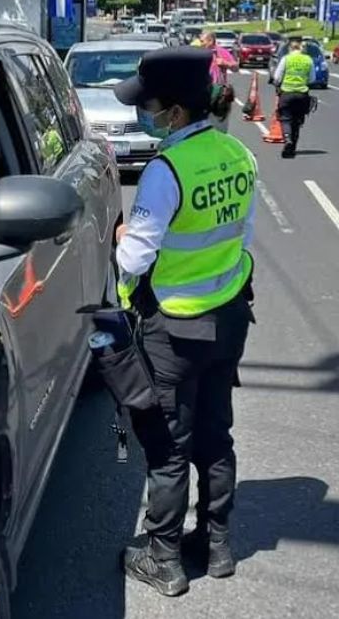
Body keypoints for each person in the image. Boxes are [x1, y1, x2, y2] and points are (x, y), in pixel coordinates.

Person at [112, 46, 257, 597]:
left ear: (173, 113)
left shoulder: (165, 170)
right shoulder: (238, 155)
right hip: (228, 320)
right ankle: (217, 546)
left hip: (173, 330)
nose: (141, 112)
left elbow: (134, 260)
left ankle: (164, 558)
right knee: (215, 436)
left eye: (147, 105)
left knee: (167, 447)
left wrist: (124, 244)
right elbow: (242, 240)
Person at [271, 36, 314, 158]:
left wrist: (279, 83)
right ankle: (293, 147)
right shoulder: (308, 60)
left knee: (285, 118)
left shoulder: (286, 59)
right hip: (302, 94)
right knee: (297, 121)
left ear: (290, 48)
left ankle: (287, 139)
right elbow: (312, 79)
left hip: (287, 93)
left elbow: (277, 77)